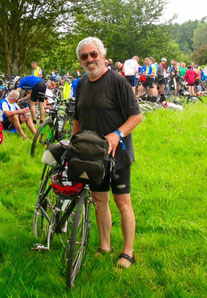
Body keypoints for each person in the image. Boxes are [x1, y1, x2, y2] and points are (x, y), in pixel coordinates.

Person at [73, 36, 142, 269]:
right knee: (99, 201)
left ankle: (128, 252)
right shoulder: (81, 84)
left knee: (123, 203)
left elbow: (136, 116)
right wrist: (73, 144)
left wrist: (117, 134)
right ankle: (105, 246)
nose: (90, 59)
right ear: (80, 61)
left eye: (94, 54)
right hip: (92, 156)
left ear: (102, 55)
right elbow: (77, 118)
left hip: (117, 155)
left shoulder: (117, 82)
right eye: (85, 56)